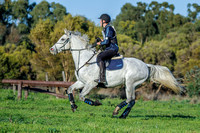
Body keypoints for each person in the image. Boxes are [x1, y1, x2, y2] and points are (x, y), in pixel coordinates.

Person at [94, 14, 119, 84]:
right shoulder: (106, 28)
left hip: (112, 48)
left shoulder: (108, 28)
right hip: (110, 48)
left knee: (99, 56)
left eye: (100, 20)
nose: (99, 22)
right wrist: (102, 41)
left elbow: (107, 41)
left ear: (104, 21)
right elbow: (107, 40)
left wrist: (100, 43)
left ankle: (102, 78)